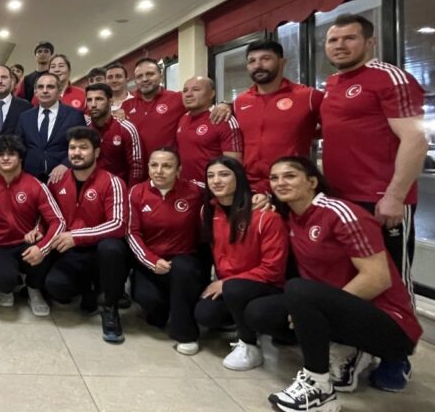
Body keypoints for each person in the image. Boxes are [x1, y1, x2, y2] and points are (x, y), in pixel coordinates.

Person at [245, 157, 422, 409]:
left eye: (290, 176)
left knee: (299, 290)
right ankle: (344, 349)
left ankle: (319, 388)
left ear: (312, 182)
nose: (280, 182)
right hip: (345, 310)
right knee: (259, 312)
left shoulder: (340, 213)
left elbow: (377, 278)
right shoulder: (292, 218)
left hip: (391, 325)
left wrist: (316, 306)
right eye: (274, 178)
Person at [319, 13, 426, 288]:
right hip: (341, 200)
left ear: (370, 42)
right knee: (356, 280)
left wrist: (395, 196)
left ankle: (401, 332)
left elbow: (415, 139)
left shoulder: (391, 78)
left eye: (349, 38)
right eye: (333, 40)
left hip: (380, 202)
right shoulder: (332, 83)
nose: (339, 45)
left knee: (392, 283)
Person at [194, 157, 288, 371]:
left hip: (265, 285)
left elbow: (273, 269)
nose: (216, 180)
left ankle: (249, 345)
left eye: (224, 174)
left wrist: (227, 283)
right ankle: (242, 319)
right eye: (211, 176)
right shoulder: (208, 212)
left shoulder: (265, 215)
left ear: (238, 177)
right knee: (205, 314)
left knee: (234, 289)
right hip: (232, 284)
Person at [45, 127, 129, 343]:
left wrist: (77, 235)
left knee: (112, 247)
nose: (77, 152)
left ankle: (110, 308)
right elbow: (46, 214)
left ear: (97, 152)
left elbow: (119, 224)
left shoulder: (113, 182)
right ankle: (88, 290)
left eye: (83, 148)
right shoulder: (56, 181)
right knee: (56, 287)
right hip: (71, 250)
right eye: (72, 148)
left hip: (101, 249)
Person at [126, 148, 207, 355]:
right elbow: (132, 233)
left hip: (184, 259)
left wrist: (260, 200)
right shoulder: (137, 192)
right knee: (149, 301)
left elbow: (227, 198)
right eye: (154, 165)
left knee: (183, 268)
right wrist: (151, 260)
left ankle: (185, 333)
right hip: (151, 261)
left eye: (167, 166)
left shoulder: (196, 191)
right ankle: (165, 309)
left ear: (178, 170)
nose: (159, 171)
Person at [0, 134, 64, 317]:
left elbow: (58, 221)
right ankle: (9, 286)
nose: (6, 158)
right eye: (1, 154)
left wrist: (43, 247)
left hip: (27, 243)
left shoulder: (35, 185)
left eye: (11, 154)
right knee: (3, 280)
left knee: (49, 249)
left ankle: (34, 289)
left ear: (21, 157)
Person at [234, 40, 323, 196]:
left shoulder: (308, 96)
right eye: (252, 61)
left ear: (282, 62)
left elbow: (335, 128)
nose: (258, 65)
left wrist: (307, 133)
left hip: (290, 186)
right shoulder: (239, 102)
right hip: (249, 187)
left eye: (265, 59)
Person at [123, 58, 231, 166]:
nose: (145, 79)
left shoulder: (177, 99)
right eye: (139, 76)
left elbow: (203, 105)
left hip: (168, 169)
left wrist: (225, 104)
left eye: (150, 74)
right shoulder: (126, 106)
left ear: (160, 76)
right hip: (136, 170)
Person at [17, 72, 86, 183]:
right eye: (40, 87)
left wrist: (65, 165)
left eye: (50, 87)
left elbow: (83, 145)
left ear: (59, 91)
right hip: (31, 179)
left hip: (65, 177)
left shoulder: (74, 115)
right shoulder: (24, 117)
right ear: (35, 91)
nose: (45, 90)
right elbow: (19, 146)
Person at [175, 76, 243, 183]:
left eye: (196, 89)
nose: (188, 94)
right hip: (188, 190)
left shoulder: (223, 119)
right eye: (185, 90)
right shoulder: (182, 119)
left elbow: (234, 165)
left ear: (211, 94)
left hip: (213, 189)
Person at [85, 83, 144, 185]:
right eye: (89, 100)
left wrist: (130, 194)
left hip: (121, 189)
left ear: (110, 101)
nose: (93, 104)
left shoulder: (126, 128)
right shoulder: (84, 128)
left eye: (99, 99)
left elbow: (136, 166)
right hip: (92, 190)